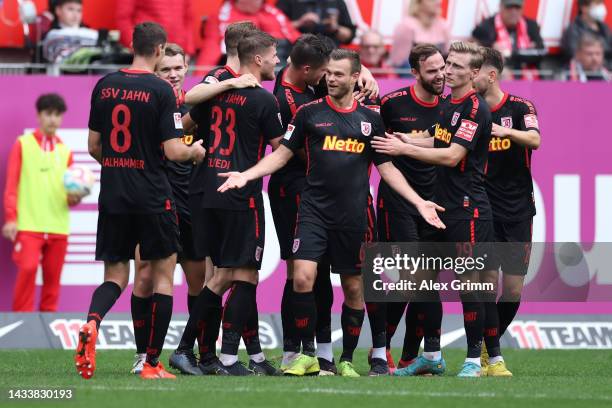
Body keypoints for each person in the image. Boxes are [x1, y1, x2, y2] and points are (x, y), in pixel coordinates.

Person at [218, 48, 445, 377]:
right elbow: (281, 156)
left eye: (339, 74)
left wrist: (417, 201)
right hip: (313, 212)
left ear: (355, 78)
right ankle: (305, 354)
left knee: (355, 288)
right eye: (329, 73)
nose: (331, 78)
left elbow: (387, 168)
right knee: (303, 278)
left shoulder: (371, 119)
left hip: (354, 216)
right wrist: (248, 174)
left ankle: (348, 359)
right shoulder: (308, 114)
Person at [74, 22, 205, 381]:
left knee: (116, 276)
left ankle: (91, 323)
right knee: (163, 276)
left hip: (114, 193)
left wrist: (120, 169)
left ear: (132, 45)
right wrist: (196, 152)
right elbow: (174, 149)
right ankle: (151, 363)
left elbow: (94, 147)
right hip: (152, 196)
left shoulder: (104, 85)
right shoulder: (161, 91)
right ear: (160, 50)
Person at [372, 41, 494, 377]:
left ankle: (473, 361)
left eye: (454, 66)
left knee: (469, 283)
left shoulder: (473, 108)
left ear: (473, 73)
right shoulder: (448, 105)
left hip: (466, 208)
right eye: (445, 65)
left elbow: (452, 155)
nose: (446, 72)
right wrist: (406, 141)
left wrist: (403, 149)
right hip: (440, 206)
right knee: (421, 279)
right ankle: (432, 355)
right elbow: (435, 139)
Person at [181, 23, 278, 377]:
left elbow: (188, 124)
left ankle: (240, 354)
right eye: (271, 55)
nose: (276, 61)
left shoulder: (220, 89)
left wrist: (205, 147)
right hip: (232, 190)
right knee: (228, 275)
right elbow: (187, 114)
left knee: (232, 275)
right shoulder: (223, 80)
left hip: (208, 187)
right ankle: (208, 354)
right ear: (251, 53)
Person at [124, 43, 206, 376]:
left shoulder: (198, 103)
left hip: (194, 206)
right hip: (155, 204)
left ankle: (197, 351)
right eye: (165, 69)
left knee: (199, 282)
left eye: (178, 68)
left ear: (187, 69)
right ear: (155, 71)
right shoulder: (150, 105)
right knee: (145, 276)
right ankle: (144, 355)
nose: (172, 74)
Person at [376, 44, 446, 373]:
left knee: (426, 282)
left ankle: (410, 356)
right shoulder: (391, 103)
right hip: (399, 202)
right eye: (432, 70)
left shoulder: (451, 107)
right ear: (415, 73)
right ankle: (383, 348)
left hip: (438, 204)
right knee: (409, 282)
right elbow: (376, 148)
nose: (440, 75)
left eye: (442, 67)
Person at [269, 34, 335, 374]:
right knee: (301, 269)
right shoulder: (284, 100)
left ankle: (318, 349)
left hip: (315, 188)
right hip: (293, 189)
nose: (329, 77)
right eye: (325, 71)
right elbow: (292, 150)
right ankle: (296, 350)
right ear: (308, 69)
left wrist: (363, 71)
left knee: (316, 269)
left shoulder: (300, 82)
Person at [473, 46, 541, 377]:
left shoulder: (519, 107)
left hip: (516, 211)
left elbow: (534, 140)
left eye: (476, 72)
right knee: (485, 282)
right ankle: (491, 356)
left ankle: (488, 344)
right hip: (482, 210)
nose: (470, 78)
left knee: (512, 290)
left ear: (491, 75)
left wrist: (506, 132)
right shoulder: (469, 111)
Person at [2, 93, 79, 312]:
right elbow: (11, 185)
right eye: (48, 114)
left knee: (52, 281)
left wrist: (74, 198)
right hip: (29, 226)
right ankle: (21, 324)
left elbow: (69, 194)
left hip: (58, 227)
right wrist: (10, 218)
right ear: (39, 115)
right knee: (27, 270)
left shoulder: (66, 151)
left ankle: (47, 329)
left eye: (57, 115)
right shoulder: (22, 145)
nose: (53, 119)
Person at [195, 0, 300, 74]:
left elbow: (295, 37)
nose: (262, 1)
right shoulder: (219, 17)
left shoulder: (270, 13)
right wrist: (201, 79)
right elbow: (210, 50)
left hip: (274, 67)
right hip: (239, 70)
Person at [471, 0, 545, 79]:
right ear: (501, 7)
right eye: (509, 7)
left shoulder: (531, 25)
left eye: (517, 7)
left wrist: (510, 53)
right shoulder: (488, 26)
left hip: (530, 79)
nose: (513, 12)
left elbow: (540, 52)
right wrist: (492, 46)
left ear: (522, 9)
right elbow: (477, 38)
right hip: (501, 77)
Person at [116, 0, 195, 57]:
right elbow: (123, 18)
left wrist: (187, 50)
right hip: (148, 51)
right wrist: (138, 48)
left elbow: (188, 18)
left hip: (176, 51)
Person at [389, 0, 451, 72]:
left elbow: (448, 59)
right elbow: (399, 63)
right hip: (410, 78)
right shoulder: (406, 26)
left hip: (438, 78)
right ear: (418, 2)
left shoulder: (443, 25)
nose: (438, 2)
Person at [276, 0, 356, 45]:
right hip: (297, 54)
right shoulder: (288, 2)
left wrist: (335, 28)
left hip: (329, 56)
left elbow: (349, 36)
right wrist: (300, 23)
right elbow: (273, 29)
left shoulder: (337, 2)